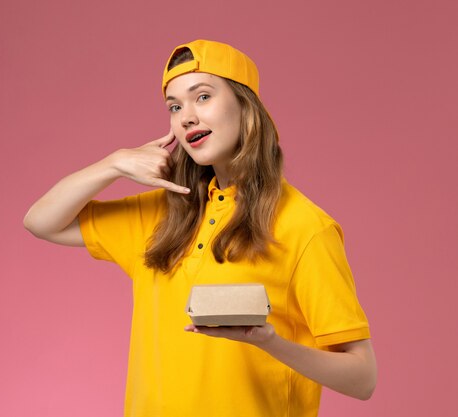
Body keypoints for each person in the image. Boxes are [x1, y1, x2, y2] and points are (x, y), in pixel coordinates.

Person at [24, 39, 377, 417]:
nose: (186, 117)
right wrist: (115, 163)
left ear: (246, 105)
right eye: (174, 107)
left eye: (203, 97)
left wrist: (270, 342)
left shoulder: (305, 226)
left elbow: (362, 378)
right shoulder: (163, 212)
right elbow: (41, 221)